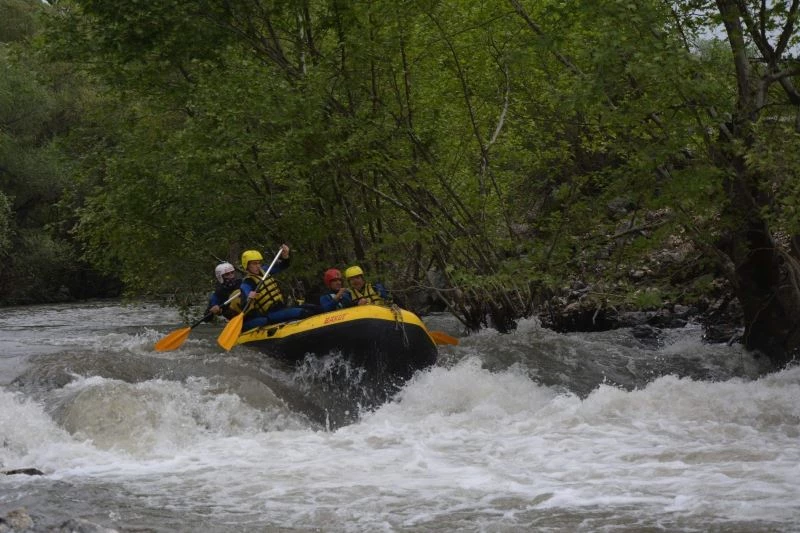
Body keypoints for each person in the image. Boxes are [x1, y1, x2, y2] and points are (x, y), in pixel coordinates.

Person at [238, 244, 312, 330]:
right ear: (247, 266)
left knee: (311, 307)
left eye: (259, 263)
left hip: (282, 307)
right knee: (304, 313)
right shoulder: (247, 282)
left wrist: (285, 256)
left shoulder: (266, 270)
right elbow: (245, 297)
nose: (258, 266)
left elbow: (283, 265)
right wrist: (249, 296)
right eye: (254, 264)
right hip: (270, 313)